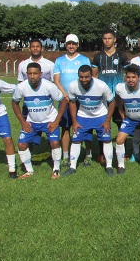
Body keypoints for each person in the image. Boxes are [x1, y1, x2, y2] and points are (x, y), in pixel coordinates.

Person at [11, 62, 68, 179]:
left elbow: (63, 101)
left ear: (41, 74)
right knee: (21, 144)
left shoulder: (49, 86)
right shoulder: (21, 87)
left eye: (35, 73)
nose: (32, 76)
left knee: (54, 143)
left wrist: (56, 121)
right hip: (32, 122)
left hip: (50, 121)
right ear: (26, 74)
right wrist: (22, 122)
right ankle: (29, 171)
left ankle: (56, 169)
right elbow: (14, 103)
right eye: (30, 74)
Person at [62, 65, 116, 177]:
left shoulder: (101, 85)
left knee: (107, 140)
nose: (84, 79)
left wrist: (107, 120)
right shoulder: (73, 85)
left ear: (92, 75)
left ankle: (109, 166)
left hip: (101, 115)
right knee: (76, 139)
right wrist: (74, 121)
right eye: (81, 77)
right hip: (83, 115)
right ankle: (72, 167)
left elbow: (112, 102)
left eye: (87, 77)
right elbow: (72, 103)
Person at [53, 34, 91, 166]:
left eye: (73, 43)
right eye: (69, 43)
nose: (71, 46)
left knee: (86, 127)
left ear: (78, 45)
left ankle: (88, 154)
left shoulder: (84, 60)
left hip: (81, 99)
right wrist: (65, 94)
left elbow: (88, 79)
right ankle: (65, 156)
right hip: (65, 99)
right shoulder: (59, 61)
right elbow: (56, 80)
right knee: (65, 128)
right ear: (65, 44)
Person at [91, 29, 129, 162]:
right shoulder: (98, 57)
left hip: (118, 97)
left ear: (114, 40)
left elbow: (127, 75)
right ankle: (102, 153)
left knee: (121, 124)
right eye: (104, 38)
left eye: (109, 38)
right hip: (103, 98)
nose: (107, 41)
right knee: (103, 125)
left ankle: (122, 153)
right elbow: (94, 75)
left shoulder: (122, 56)